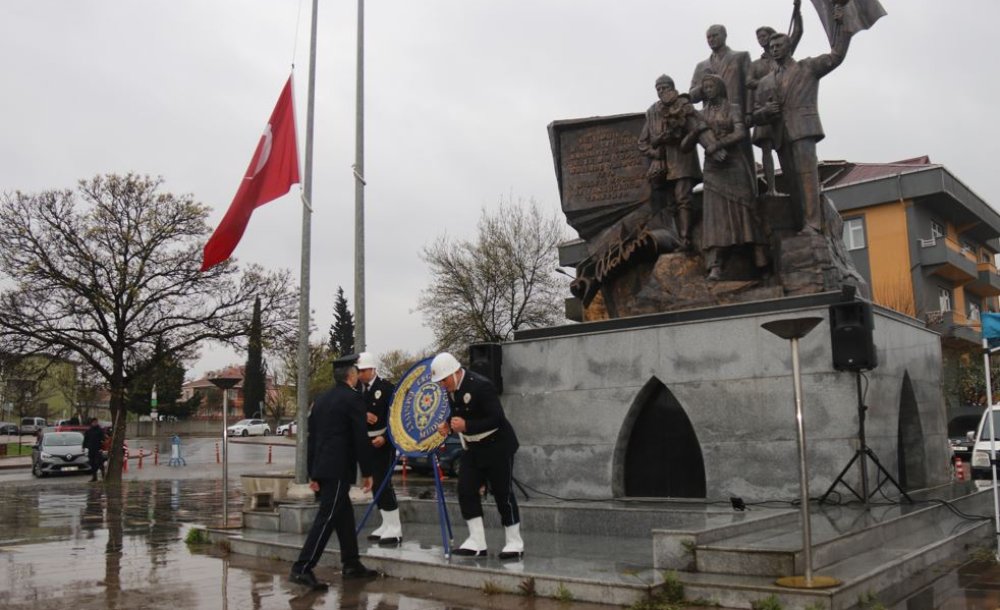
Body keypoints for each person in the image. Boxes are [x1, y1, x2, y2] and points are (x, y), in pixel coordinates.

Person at [751, 5, 850, 235]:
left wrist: (841, 25)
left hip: (803, 130)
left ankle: (812, 224)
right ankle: (801, 224)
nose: (774, 49)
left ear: (789, 47)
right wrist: (766, 111)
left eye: (779, 45)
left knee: (807, 177)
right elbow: (754, 115)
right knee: (792, 183)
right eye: (772, 46)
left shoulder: (807, 67)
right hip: (781, 136)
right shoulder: (766, 81)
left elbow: (836, 56)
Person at [289, 354, 378, 590]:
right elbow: (360, 438)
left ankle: (351, 563)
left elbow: (313, 438)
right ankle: (302, 568)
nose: (359, 376)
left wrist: (313, 473)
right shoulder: (353, 399)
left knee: (343, 515)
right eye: (357, 372)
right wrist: (368, 472)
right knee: (327, 517)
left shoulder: (322, 399)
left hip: (324, 468)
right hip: (338, 469)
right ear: (352, 375)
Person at [432, 352, 523, 560]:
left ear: (454, 373)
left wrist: (467, 426)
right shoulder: (452, 389)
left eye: (443, 380)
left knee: (503, 494)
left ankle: (514, 542)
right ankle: (477, 541)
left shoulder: (481, 385)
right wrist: (448, 426)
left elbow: (497, 418)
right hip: (472, 447)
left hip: (497, 446)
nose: (442, 385)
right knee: (465, 490)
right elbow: (459, 413)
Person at [697, 73, 769, 280]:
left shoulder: (734, 108)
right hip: (713, 167)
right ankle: (715, 265)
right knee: (715, 216)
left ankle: (760, 257)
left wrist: (719, 144)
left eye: (710, 86)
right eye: (705, 87)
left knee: (746, 208)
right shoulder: (701, 114)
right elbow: (698, 136)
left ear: (719, 87)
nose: (707, 90)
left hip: (734, 162)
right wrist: (710, 146)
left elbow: (740, 133)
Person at [637, 75, 706, 250]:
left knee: (683, 197)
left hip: (682, 159)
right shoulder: (652, 112)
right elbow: (642, 142)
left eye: (664, 87)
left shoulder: (683, 105)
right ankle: (678, 237)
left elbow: (698, 126)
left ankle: (686, 239)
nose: (661, 91)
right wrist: (655, 153)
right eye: (658, 89)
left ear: (672, 87)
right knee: (671, 203)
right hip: (663, 166)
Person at [746, 0, 803, 196]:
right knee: (766, 150)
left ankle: (796, 186)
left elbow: (797, 33)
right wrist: (766, 82)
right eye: (758, 37)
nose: (760, 39)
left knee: (789, 150)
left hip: (784, 109)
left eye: (763, 35)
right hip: (765, 108)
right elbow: (748, 82)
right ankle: (771, 188)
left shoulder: (782, 55)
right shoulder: (756, 64)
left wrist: (797, 11)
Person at [356, 351, 402, 545]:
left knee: (384, 483)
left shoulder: (386, 388)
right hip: (368, 442)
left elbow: (394, 417)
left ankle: (395, 527)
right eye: (359, 371)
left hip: (384, 442)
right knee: (374, 484)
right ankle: (386, 522)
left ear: (372, 369)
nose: (360, 374)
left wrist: (385, 437)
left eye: (363, 370)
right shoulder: (360, 391)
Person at [83, 417, 106, 482]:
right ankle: (94, 477)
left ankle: (103, 476)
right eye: (94, 422)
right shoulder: (89, 431)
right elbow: (85, 439)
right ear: (92, 423)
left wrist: (102, 448)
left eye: (96, 422)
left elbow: (103, 440)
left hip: (98, 449)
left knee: (99, 463)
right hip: (91, 449)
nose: (95, 423)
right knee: (92, 463)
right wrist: (84, 447)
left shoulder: (100, 430)